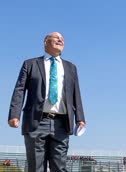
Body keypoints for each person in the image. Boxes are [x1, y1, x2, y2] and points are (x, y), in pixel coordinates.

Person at [8, 32, 86, 172]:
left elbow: (76, 93)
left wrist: (80, 118)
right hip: (36, 122)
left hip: (62, 123)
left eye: (62, 39)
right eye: (56, 38)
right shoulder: (30, 64)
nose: (60, 40)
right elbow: (19, 89)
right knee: (36, 167)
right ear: (45, 42)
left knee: (60, 167)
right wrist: (14, 114)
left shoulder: (71, 67)